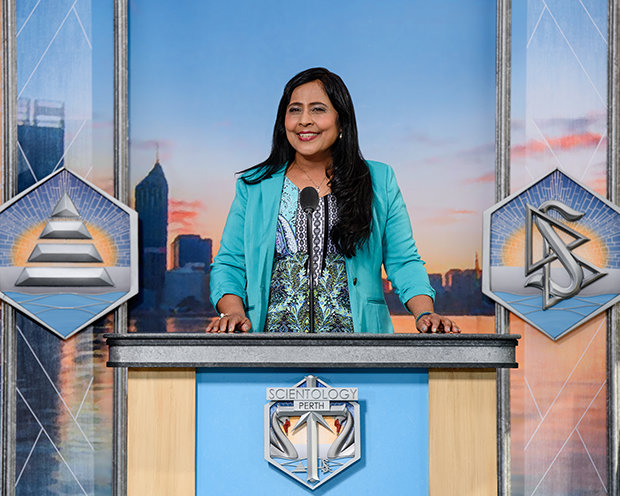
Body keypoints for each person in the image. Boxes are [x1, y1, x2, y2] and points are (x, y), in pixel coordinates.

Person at [207, 67, 459, 334]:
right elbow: (230, 263)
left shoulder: (379, 180)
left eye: (318, 109)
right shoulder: (254, 185)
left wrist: (425, 313)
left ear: (342, 121)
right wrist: (233, 313)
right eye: (295, 110)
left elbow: (403, 260)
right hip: (270, 346)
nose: (304, 120)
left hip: (359, 345)